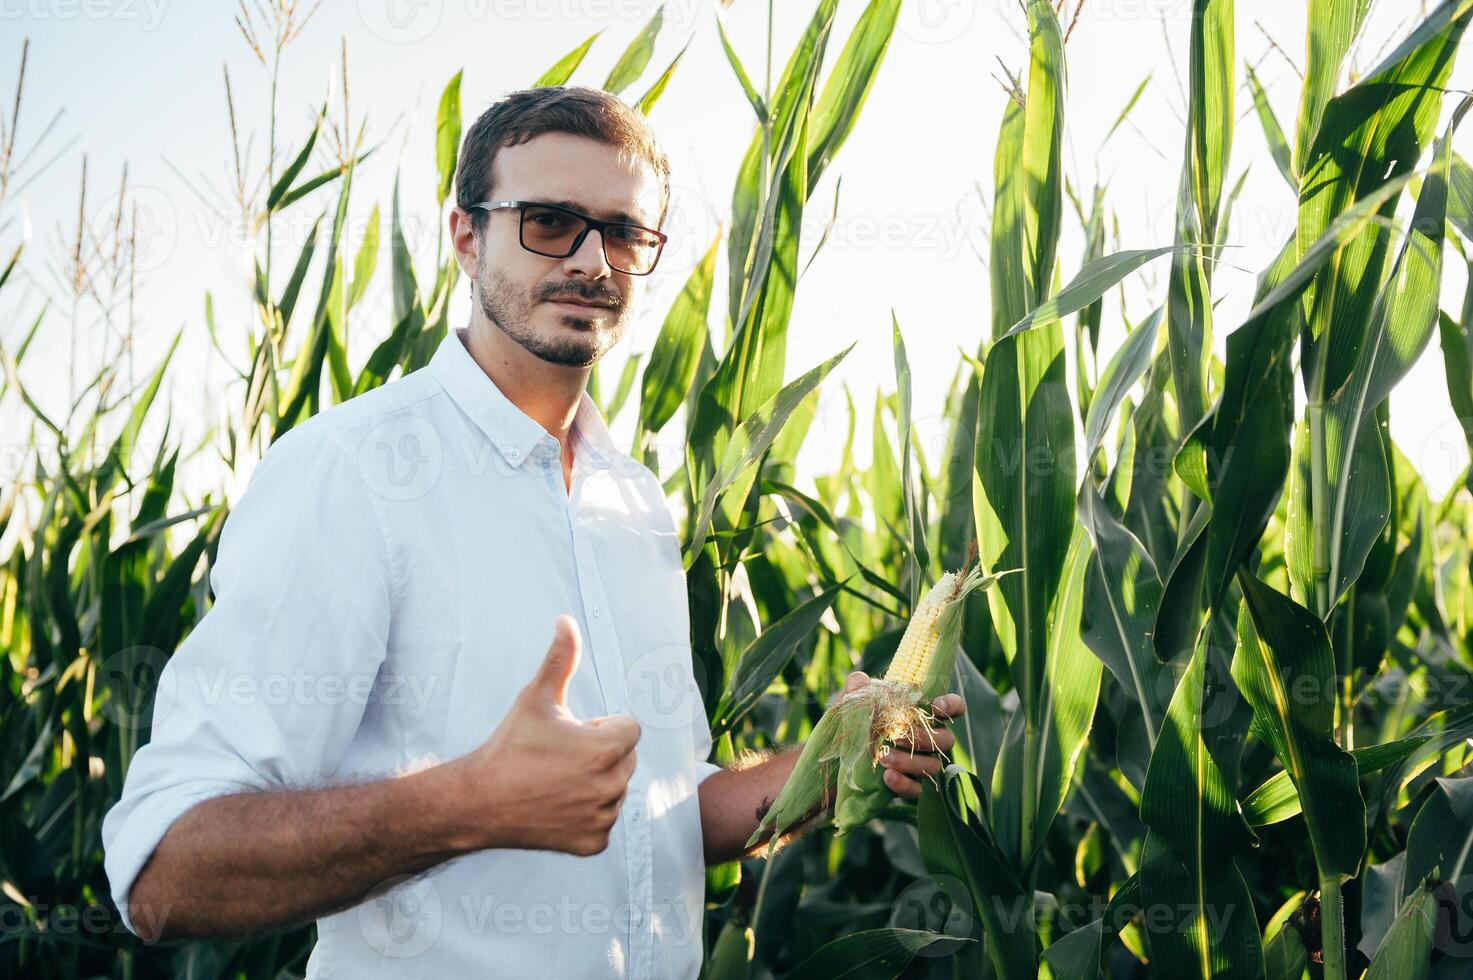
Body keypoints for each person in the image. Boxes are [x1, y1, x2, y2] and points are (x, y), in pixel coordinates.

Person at [101, 85, 964, 978]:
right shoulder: (350, 473)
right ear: (466, 237)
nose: (592, 260)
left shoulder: (634, 502)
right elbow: (165, 871)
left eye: (624, 233)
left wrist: (832, 759)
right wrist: (469, 803)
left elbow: (661, 818)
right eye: (549, 221)